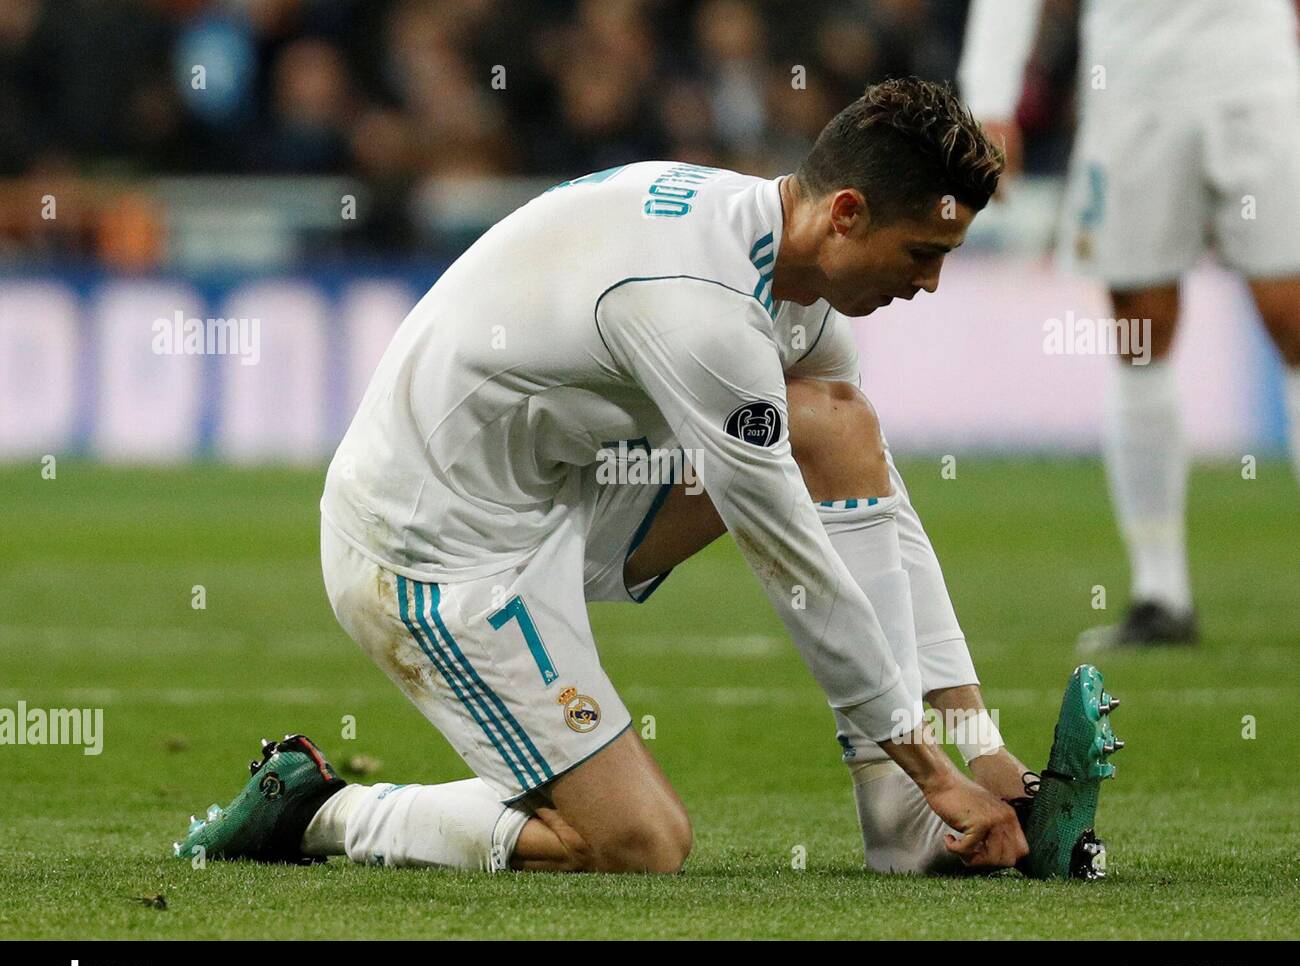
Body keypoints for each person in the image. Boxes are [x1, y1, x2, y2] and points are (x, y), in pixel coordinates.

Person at [176, 79, 1117, 879]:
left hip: (565, 491)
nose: (931, 286)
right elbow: (795, 558)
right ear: (847, 214)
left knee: (834, 426)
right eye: (923, 255)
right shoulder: (699, 310)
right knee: (635, 845)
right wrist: (934, 765)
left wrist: (975, 741)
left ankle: (896, 825)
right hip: (431, 549)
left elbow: (876, 504)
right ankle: (317, 813)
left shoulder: (784, 272)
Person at [960, 0, 1300, 649]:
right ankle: (1160, 592)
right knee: (1139, 328)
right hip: (1131, 84)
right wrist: (989, 96)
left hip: (1256, 75)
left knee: (1293, 317)